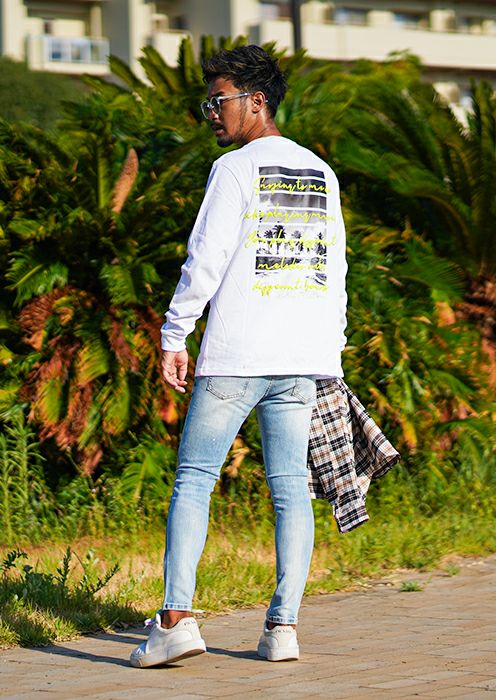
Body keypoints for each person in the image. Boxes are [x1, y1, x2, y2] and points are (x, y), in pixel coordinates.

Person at [130, 44, 348, 668]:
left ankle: (175, 622)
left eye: (218, 101)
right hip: (302, 358)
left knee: (195, 479)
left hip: (236, 355)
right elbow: (335, 271)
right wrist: (329, 351)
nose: (211, 114)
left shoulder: (234, 170)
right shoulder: (320, 172)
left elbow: (206, 259)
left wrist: (175, 334)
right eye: (209, 103)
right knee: (291, 490)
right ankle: (283, 629)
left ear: (256, 102)